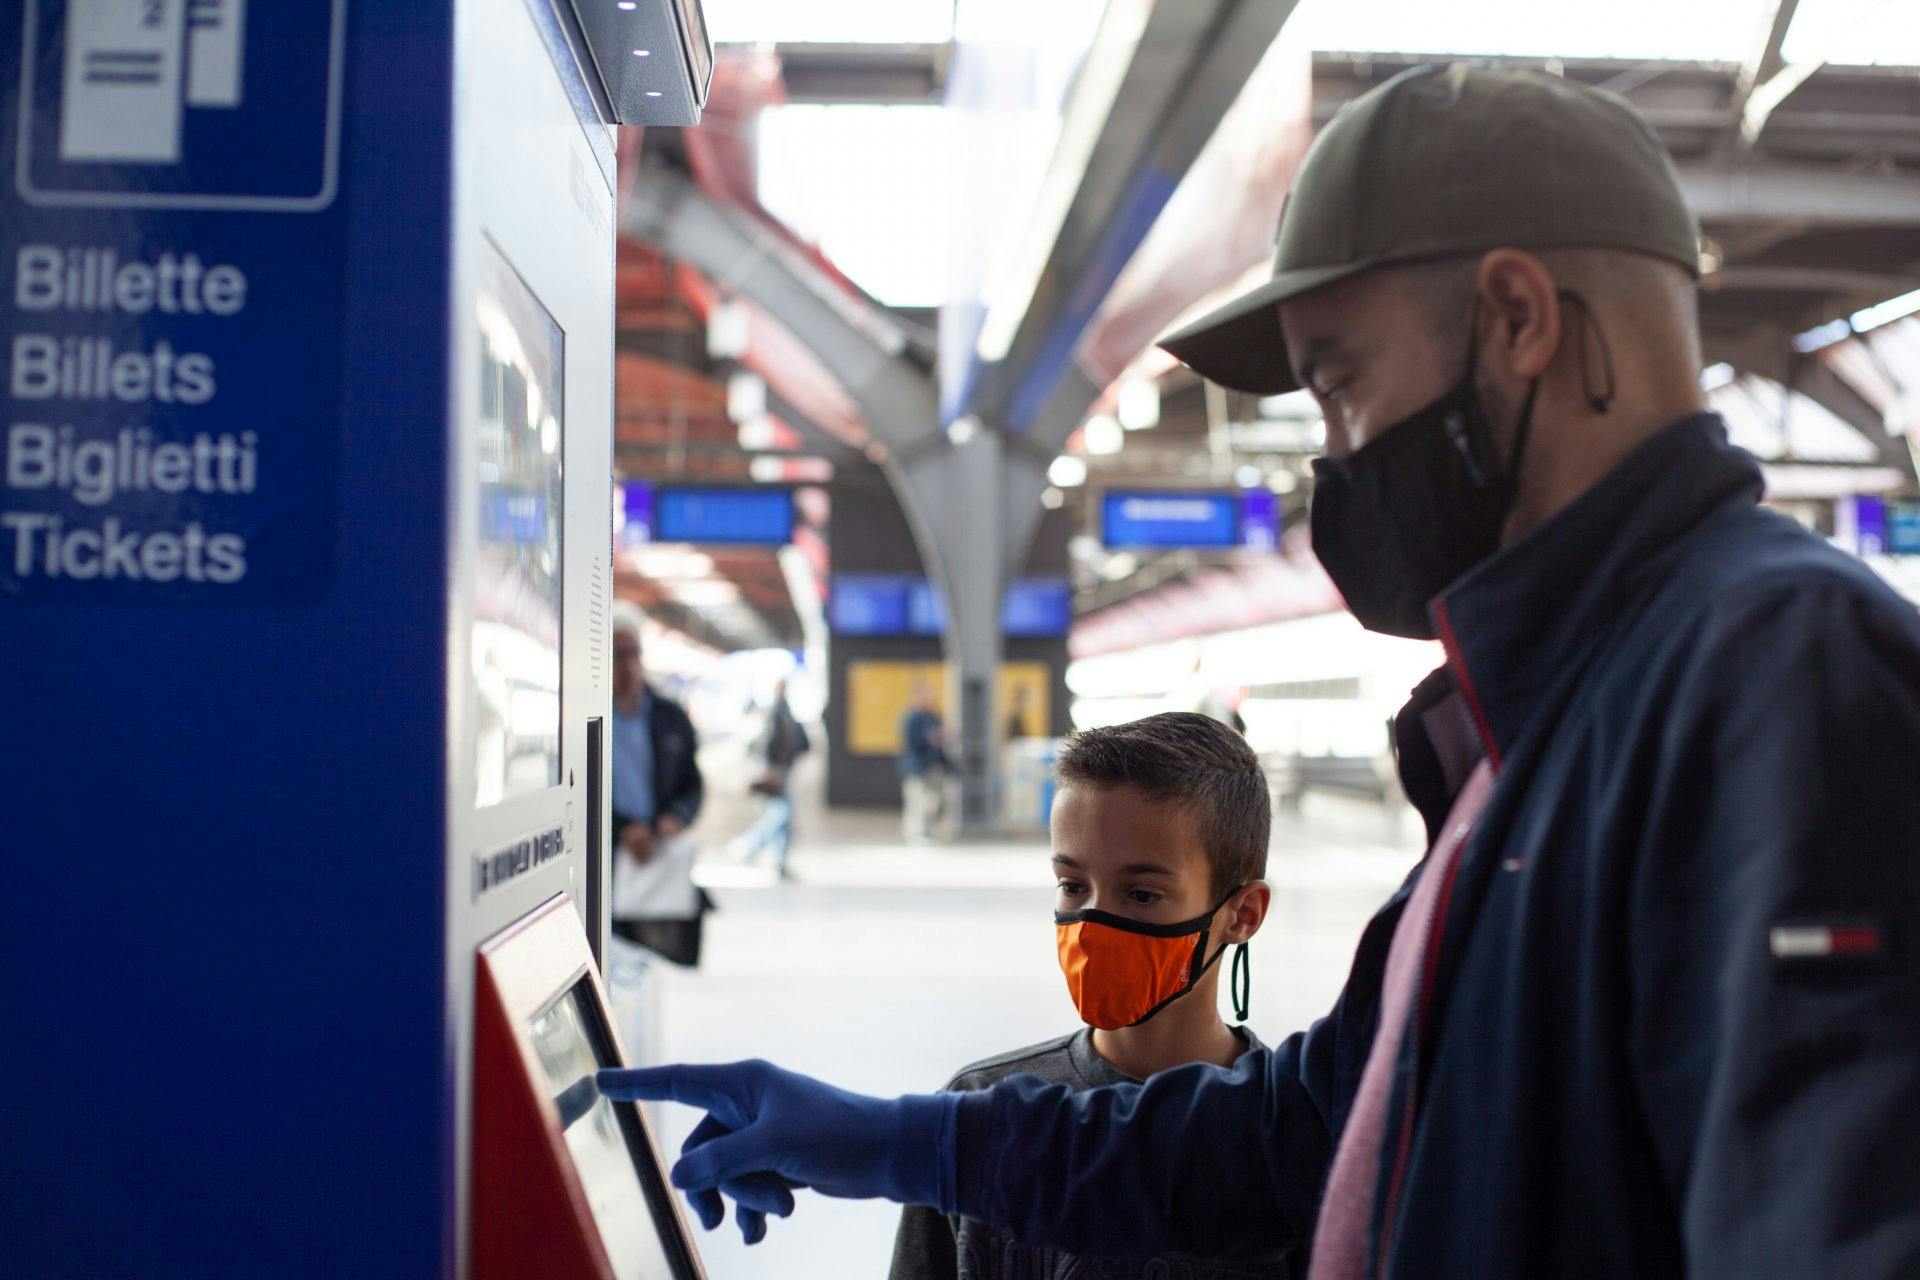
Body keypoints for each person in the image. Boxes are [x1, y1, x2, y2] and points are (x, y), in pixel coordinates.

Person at [599, 64, 1920, 1276]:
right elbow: (1296, 1140)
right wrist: (908, 1146)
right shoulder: (1553, 728)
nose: (1330, 460)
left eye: (1339, 389)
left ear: (1518, 317)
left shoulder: (1770, 671)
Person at [889, 712, 1280, 1280]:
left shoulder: (1292, 1137)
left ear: (1241, 915)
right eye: (1073, 885)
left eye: (1142, 894)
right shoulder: (975, 1109)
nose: (1093, 922)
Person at [608, 611, 708, 966]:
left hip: (654, 856)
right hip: (606, 860)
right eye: (618, 655)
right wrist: (622, 830)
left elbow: (693, 786)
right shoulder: (585, 720)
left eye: (634, 653)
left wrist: (675, 818)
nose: (629, 665)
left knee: (646, 963)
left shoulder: (670, 718)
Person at [737, 677, 810, 879]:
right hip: (776, 771)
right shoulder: (777, 712)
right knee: (781, 814)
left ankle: (776, 859)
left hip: (782, 771)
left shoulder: (785, 711)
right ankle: (749, 846)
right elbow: (770, 742)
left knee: (782, 816)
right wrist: (772, 770)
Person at [898, 686, 949, 843]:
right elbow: (914, 741)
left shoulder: (933, 718)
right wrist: (931, 738)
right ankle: (913, 834)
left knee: (932, 802)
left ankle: (926, 831)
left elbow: (940, 743)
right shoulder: (912, 718)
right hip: (916, 768)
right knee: (916, 802)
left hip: (932, 768)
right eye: (926, 698)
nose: (929, 701)